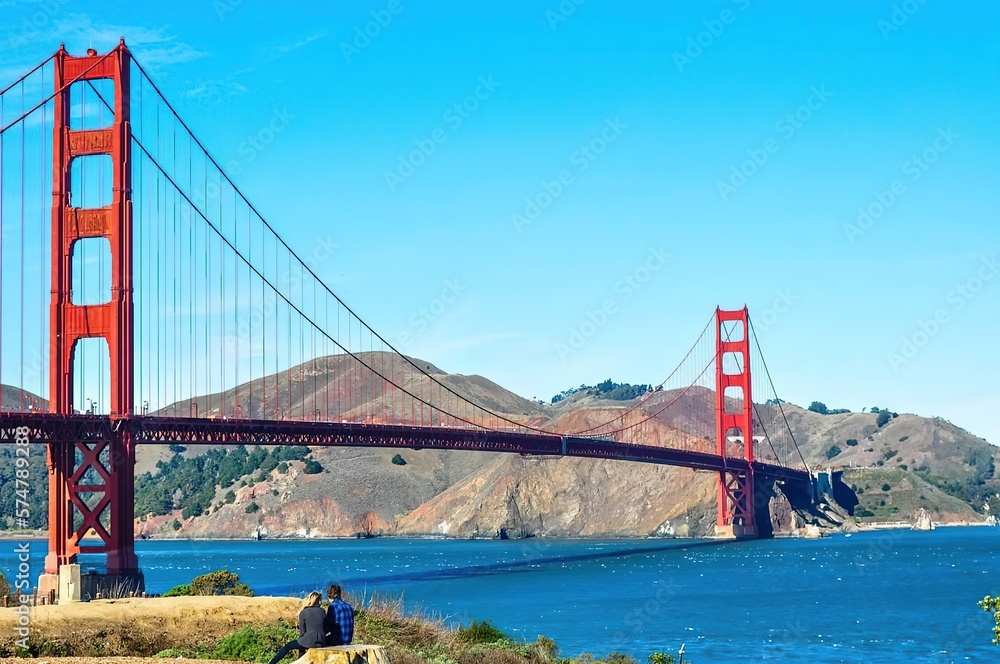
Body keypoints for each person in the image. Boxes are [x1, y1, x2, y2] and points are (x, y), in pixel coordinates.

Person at [267, 591, 327, 664]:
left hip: (309, 640)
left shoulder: (304, 612)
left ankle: (272, 663)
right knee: (302, 645)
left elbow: (302, 633)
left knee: (288, 646)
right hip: (321, 641)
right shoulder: (322, 611)